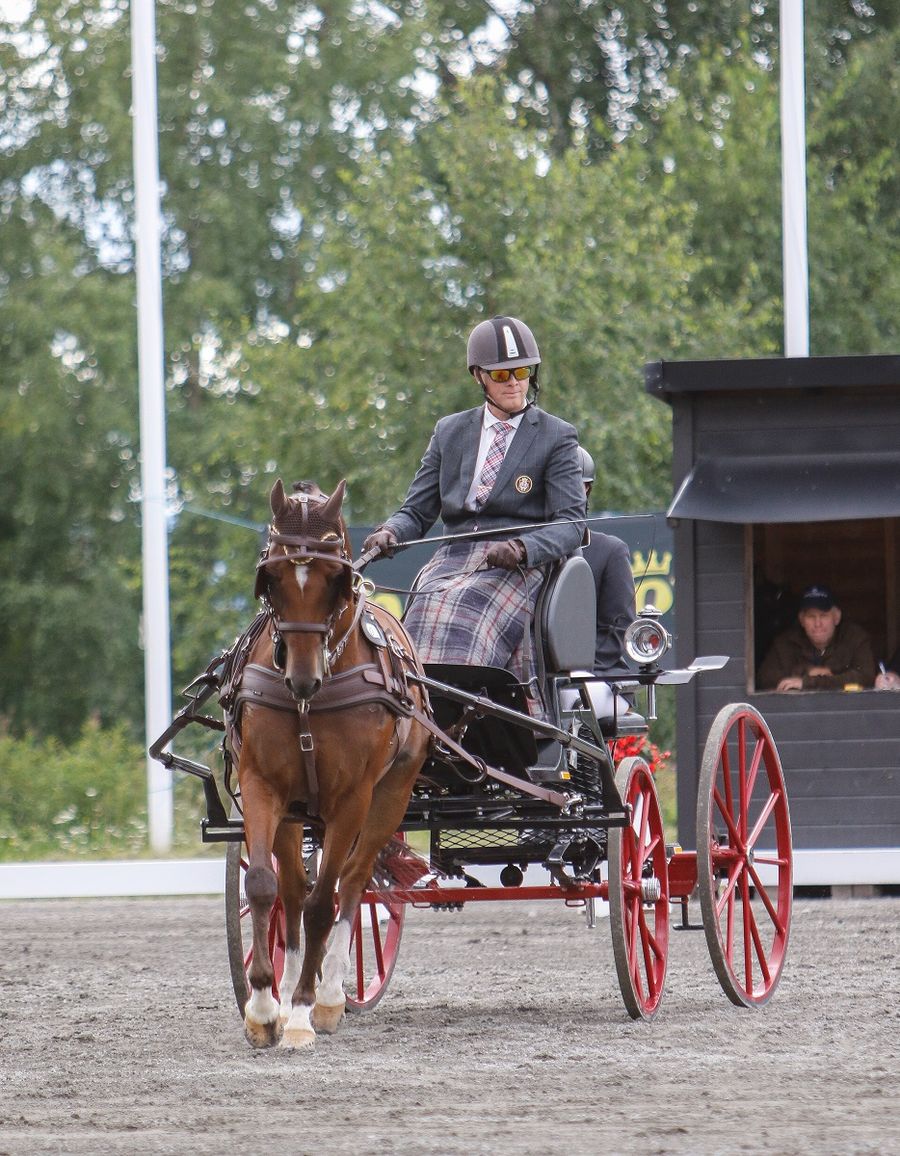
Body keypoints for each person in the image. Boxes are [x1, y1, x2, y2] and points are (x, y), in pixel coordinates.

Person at [362, 315, 585, 709]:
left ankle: (469, 713)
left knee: (467, 613)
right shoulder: (450, 431)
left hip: (518, 563)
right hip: (453, 557)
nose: (515, 381)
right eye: (502, 375)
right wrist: (391, 532)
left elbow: (572, 524)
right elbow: (416, 510)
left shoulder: (557, 435)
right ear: (479, 377)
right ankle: (413, 713)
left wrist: (521, 547)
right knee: (420, 612)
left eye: (521, 371)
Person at [561, 446, 636, 720]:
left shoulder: (610, 552)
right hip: (538, 676)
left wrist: (565, 667)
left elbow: (617, 631)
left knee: (567, 691)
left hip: (599, 677)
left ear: (585, 490)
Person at [757, 584, 877, 691]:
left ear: (836, 617)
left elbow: (866, 676)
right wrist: (807, 671)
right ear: (801, 620)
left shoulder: (854, 637)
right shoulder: (785, 642)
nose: (817, 623)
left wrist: (809, 682)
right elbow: (764, 678)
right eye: (811, 616)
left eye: (823, 616)